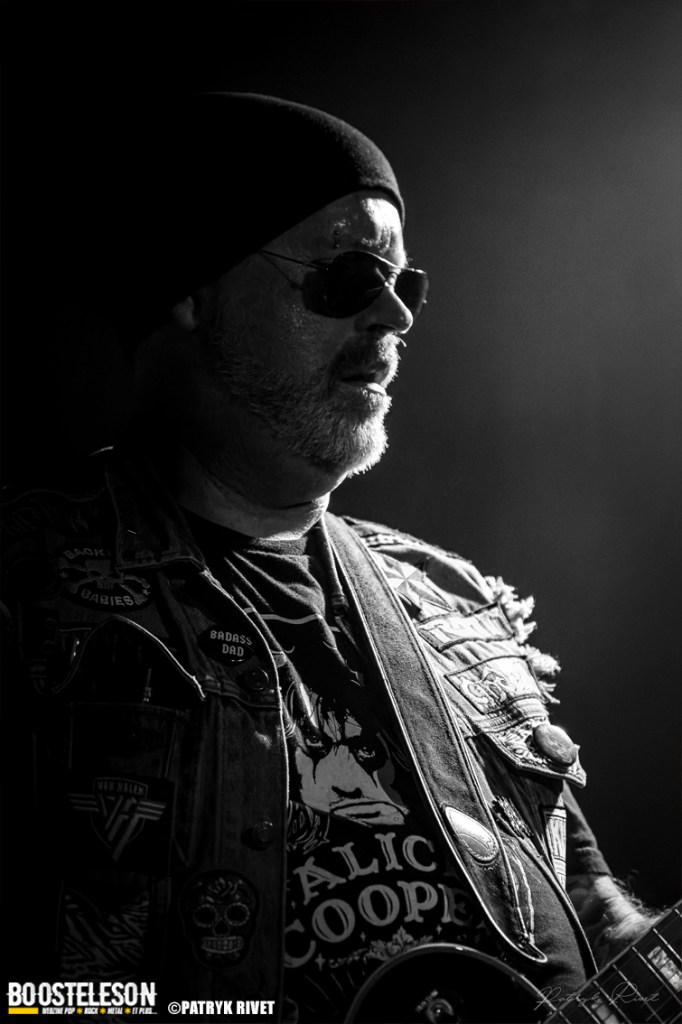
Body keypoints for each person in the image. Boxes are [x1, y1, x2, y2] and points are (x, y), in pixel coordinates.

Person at [0, 93, 667, 1023]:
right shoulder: (24, 585)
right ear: (190, 290)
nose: (394, 315)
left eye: (406, 285)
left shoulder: (449, 602)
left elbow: (589, 910)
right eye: (349, 276)